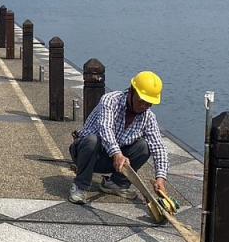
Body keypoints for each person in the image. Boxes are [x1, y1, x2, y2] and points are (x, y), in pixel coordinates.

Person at [67, 71, 168, 204]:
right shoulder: (110, 100)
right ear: (132, 92)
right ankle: (80, 186)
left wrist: (160, 178)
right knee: (93, 140)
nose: (144, 106)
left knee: (144, 147)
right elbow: (105, 128)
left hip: (114, 163)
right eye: (142, 101)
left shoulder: (148, 117)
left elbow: (159, 147)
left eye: (149, 103)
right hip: (87, 153)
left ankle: (115, 184)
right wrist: (117, 154)